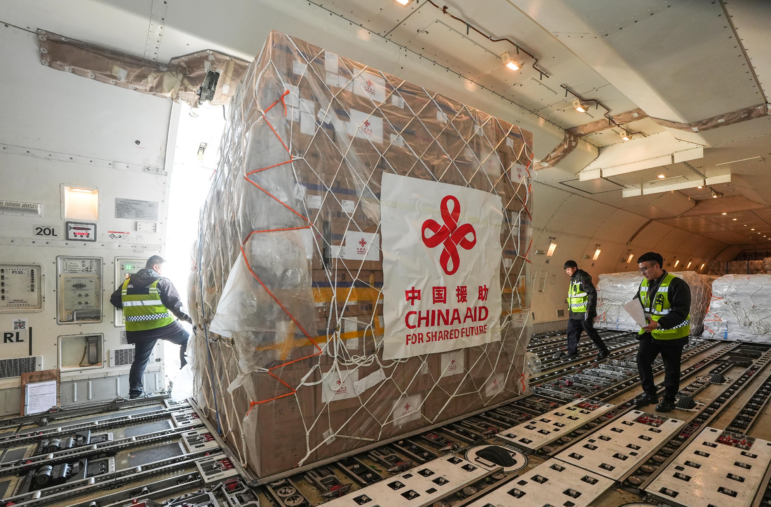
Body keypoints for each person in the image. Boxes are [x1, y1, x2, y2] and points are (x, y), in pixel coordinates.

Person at [110, 255, 192, 399]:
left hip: (139, 329)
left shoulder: (126, 283)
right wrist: (192, 320)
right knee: (187, 341)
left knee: (140, 360)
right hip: (163, 325)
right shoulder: (162, 282)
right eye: (163, 268)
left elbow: (115, 300)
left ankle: (135, 392)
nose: (163, 272)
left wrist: (135, 308)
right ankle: (184, 376)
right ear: (155, 267)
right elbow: (176, 307)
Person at [632, 252, 691, 413]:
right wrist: (637, 314)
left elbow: (681, 311)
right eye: (640, 270)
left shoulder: (676, 284)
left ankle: (669, 400)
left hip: (672, 335)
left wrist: (658, 324)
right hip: (650, 333)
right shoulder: (645, 283)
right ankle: (650, 394)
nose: (642, 273)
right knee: (642, 360)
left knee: (671, 368)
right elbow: (637, 301)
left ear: (656, 266)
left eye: (645, 269)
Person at [564, 260, 609, 360]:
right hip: (574, 313)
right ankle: (572, 353)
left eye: (568, 269)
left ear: (575, 268)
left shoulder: (582, 278)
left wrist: (589, 310)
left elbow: (592, 293)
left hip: (584, 312)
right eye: (566, 270)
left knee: (591, 332)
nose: (567, 271)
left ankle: (603, 350)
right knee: (571, 332)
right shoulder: (573, 279)